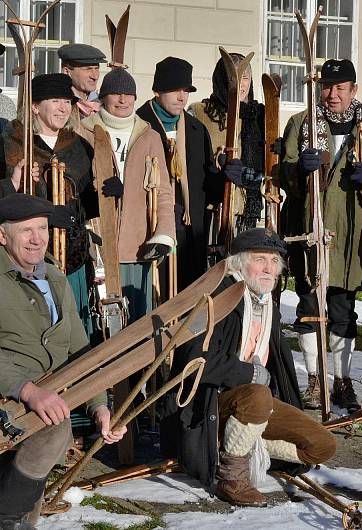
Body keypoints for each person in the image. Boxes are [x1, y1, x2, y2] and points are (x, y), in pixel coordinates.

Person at [161, 228, 336, 507]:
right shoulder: (214, 299)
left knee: (322, 445)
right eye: (260, 259)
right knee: (256, 393)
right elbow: (193, 359)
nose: (268, 268)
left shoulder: (269, 307)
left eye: (273, 261)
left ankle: (246, 448)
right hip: (207, 408)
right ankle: (231, 476)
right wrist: (248, 373)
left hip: (255, 408)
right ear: (240, 263)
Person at [0, 194, 125, 529]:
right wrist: (27, 390)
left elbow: (78, 348)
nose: (37, 238)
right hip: (9, 397)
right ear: (2, 236)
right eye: (25, 230)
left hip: (48, 398)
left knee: (29, 510)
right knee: (55, 427)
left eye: (41, 228)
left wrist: (99, 405)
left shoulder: (55, 278)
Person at [281, 59, 362, 413]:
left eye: (340, 88)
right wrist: (298, 170)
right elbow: (285, 177)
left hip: (349, 234)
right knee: (310, 306)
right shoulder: (300, 124)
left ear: (353, 90)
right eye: (327, 87)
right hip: (310, 229)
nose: (332, 95)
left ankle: (341, 381)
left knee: (343, 309)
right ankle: (314, 379)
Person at [0, 73, 97, 338]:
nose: (63, 108)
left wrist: (106, 195)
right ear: (35, 106)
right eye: (55, 101)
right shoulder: (12, 143)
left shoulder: (80, 147)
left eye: (67, 101)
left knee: (74, 327)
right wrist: (46, 213)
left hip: (73, 256)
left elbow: (89, 207)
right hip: (26, 254)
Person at [81, 68, 176, 322]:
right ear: (103, 97)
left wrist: (164, 233)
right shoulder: (85, 132)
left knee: (136, 320)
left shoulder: (150, 136)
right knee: (101, 319)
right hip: (98, 244)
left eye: (128, 94)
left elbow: (164, 191)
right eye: (115, 94)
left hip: (137, 245)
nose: (122, 100)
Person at [137, 56, 233, 290]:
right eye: (174, 90)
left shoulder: (195, 130)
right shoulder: (140, 125)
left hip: (191, 233)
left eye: (185, 90)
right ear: (158, 90)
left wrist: (226, 177)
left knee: (187, 298)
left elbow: (208, 188)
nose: (181, 97)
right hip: (150, 227)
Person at [190, 52, 265, 234]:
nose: (240, 84)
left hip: (246, 210)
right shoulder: (200, 113)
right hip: (212, 208)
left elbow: (265, 172)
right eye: (232, 77)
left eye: (245, 77)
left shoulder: (260, 116)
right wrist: (216, 170)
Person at [59, 43, 106, 119]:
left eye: (97, 68)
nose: (95, 76)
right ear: (67, 72)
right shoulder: (59, 106)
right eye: (88, 69)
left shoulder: (105, 103)